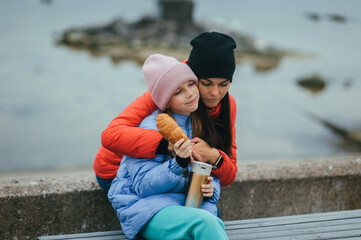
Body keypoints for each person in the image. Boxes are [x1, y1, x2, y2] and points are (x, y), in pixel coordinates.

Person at [94, 31, 238, 193]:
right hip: (117, 173)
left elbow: (230, 174)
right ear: (194, 77)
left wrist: (214, 156)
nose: (215, 93)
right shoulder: (168, 90)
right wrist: (167, 143)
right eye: (206, 83)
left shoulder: (228, 104)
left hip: (171, 172)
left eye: (224, 84)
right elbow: (110, 135)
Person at [108, 53, 228, 239]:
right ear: (166, 100)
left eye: (191, 84)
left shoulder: (201, 123)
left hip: (189, 207)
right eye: (178, 92)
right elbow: (142, 186)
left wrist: (211, 190)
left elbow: (211, 173)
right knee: (205, 223)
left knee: (209, 220)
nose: (189, 93)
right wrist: (178, 163)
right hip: (150, 210)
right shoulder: (149, 126)